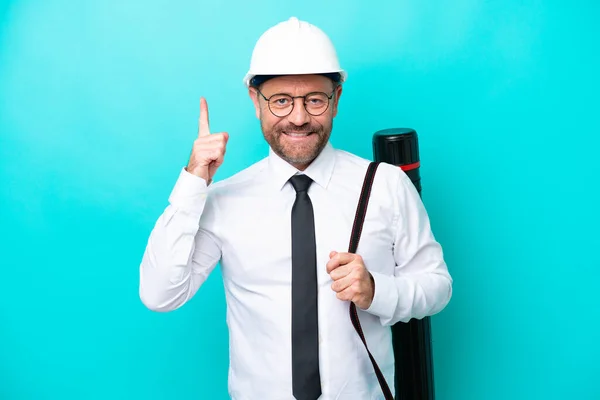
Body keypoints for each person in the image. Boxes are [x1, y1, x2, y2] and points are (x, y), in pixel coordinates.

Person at [139, 16, 452, 400]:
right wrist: (192, 181)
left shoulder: (385, 185)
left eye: (315, 100)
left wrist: (376, 291)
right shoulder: (222, 199)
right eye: (282, 101)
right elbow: (159, 294)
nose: (299, 117)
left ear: (336, 99)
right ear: (256, 102)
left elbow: (437, 286)